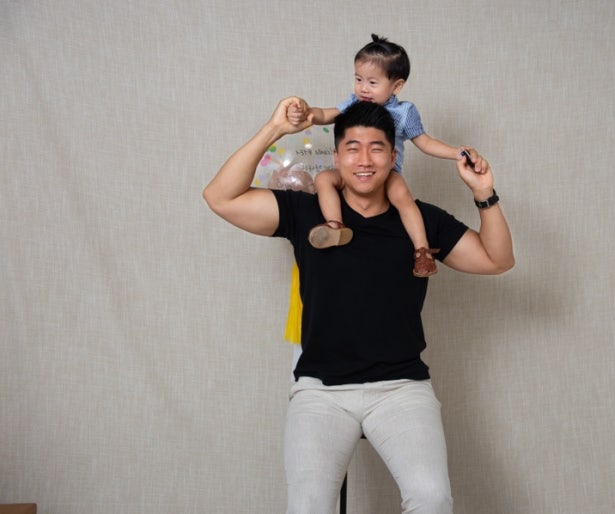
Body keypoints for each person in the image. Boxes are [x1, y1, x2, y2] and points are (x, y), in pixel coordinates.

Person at [203, 97, 514, 514]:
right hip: (321, 391)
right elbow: (220, 197)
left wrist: (484, 193)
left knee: (432, 498)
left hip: (401, 388)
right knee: (307, 506)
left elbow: (497, 260)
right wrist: (275, 129)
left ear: (393, 156)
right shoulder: (306, 211)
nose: (364, 160)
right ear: (336, 157)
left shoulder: (420, 221)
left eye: (376, 148)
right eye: (352, 148)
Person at [288, 34, 477, 278]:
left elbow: (425, 142)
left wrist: (455, 152)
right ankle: (335, 226)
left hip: (386, 173)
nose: (363, 88)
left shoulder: (404, 112)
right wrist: (306, 112)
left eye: (372, 82)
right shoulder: (354, 103)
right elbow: (326, 114)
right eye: (358, 79)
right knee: (324, 178)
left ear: (396, 86)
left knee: (403, 198)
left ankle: (422, 252)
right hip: (355, 173)